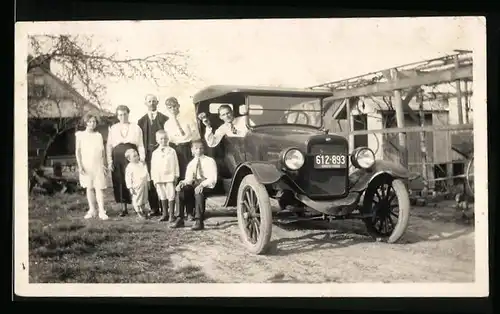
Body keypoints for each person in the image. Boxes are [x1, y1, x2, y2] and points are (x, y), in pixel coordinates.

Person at [107, 105, 146, 217]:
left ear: (128, 114)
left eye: (125, 114)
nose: (123, 117)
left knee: (135, 180)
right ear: (117, 116)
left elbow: (140, 144)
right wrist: (110, 161)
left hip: (132, 156)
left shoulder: (136, 127)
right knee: (120, 181)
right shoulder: (113, 128)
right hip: (117, 157)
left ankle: (138, 206)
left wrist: (142, 158)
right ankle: (124, 208)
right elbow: (109, 146)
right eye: (120, 115)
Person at [175, 140, 218, 230]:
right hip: (195, 184)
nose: (198, 150)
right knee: (181, 190)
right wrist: (182, 183)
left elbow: (212, 178)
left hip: (207, 184)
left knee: (199, 192)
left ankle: (199, 221)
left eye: (201, 148)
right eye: (196, 148)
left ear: (204, 149)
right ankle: (180, 218)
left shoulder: (210, 161)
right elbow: (189, 179)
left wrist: (202, 185)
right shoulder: (191, 163)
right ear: (192, 150)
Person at [137, 94, 169, 217]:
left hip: (162, 153)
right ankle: (154, 208)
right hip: (148, 155)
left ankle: (165, 207)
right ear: (146, 103)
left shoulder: (164, 119)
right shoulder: (141, 121)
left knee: (163, 178)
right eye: (149, 101)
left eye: (154, 101)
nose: (152, 103)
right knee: (151, 180)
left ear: (157, 102)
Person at [75, 113, 109, 220]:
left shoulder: (98, 135)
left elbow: (102, 152)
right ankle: (92, 209)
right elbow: (78, 152)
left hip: (98, 164)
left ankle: (102, 211)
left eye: (94, 122)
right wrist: (80, 165)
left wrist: (104, 164)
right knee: (89, 187)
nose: (92, 124)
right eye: (90, 122)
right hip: (86, 164)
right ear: (86, 123)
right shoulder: (80, 135)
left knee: (99, 187)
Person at [150, 130, 179, 223]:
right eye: (161, 139)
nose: (164, 140)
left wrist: (176, 175)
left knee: (171, 194)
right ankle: (165, 214)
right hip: (159, 177)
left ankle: (171, 215)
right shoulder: (155, 153)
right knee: (162, 194)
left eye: (165, 138)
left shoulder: (172, 151)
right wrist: (154, 178)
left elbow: (176, 164)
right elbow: (153, 166)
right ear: (157, 140)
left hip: (170, 176)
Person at [124, 148, 150, 220]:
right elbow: (128, 178)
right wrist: (130, 187)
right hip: (136, 185)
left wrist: (148, 181)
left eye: (137, 155)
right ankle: (138, 211)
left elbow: (146, 172)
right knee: (137, 198)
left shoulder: (141, 164)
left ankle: (143, 208)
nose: (136, 157)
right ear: (129, 159)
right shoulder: (129, 167)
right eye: (134, 156)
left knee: (144, 197)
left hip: (143, 184)